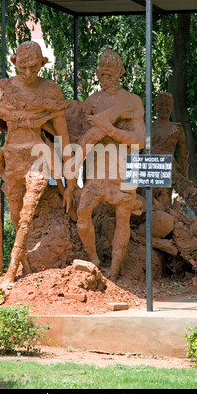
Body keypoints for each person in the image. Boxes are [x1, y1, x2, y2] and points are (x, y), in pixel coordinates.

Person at [0, 41, 76, 287]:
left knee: (27, 211)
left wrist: (71, 181)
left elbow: (63, 138)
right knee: (14, 214)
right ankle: (26, 266)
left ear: (42, 64)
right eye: (22, 67)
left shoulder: (51, 91)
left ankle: (11, 274)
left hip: (39, 155)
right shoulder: (1, 91)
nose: (28, 72)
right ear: (15, 63)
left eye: (33, 67)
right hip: (12, 156)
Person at [76, 48, 146, 281]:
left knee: (123, 217)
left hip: (125, 166)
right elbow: (82, 138)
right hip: (97, 168)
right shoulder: (92, 102)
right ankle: (94, 260)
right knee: (83, 211)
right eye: (102, 68)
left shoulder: (132, 101)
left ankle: (115, 269)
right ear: (96, 72)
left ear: (121, 71)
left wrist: (108, 129)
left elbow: (139, 141)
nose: (105, 72)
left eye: (111, 67)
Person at [152, 92, 197, 215]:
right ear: (155, 106)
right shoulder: (146, 127)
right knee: (149, 200)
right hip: (149, 169)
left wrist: (184, 177)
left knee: (164, 202)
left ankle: (165, 227)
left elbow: (183, 155)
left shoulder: (177, 129)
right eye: (161, 104)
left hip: (168, 169)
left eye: (167, 105)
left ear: (172, 107)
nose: (164, 108)